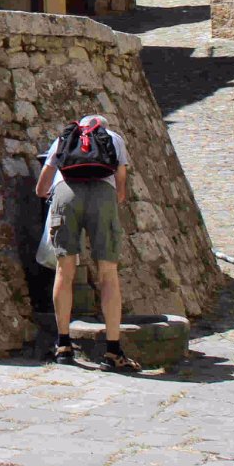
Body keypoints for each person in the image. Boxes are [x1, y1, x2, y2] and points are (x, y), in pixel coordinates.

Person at [35, 114, 141, 372]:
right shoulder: (114, 138)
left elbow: (41, 187)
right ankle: (113, 351)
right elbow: (121, 185)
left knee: (65, 271)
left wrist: (53, 196)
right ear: (101, 127)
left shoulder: (63, 138)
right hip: (102, 196)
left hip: (66, 193)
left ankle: (63, 346)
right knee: (108, 273)